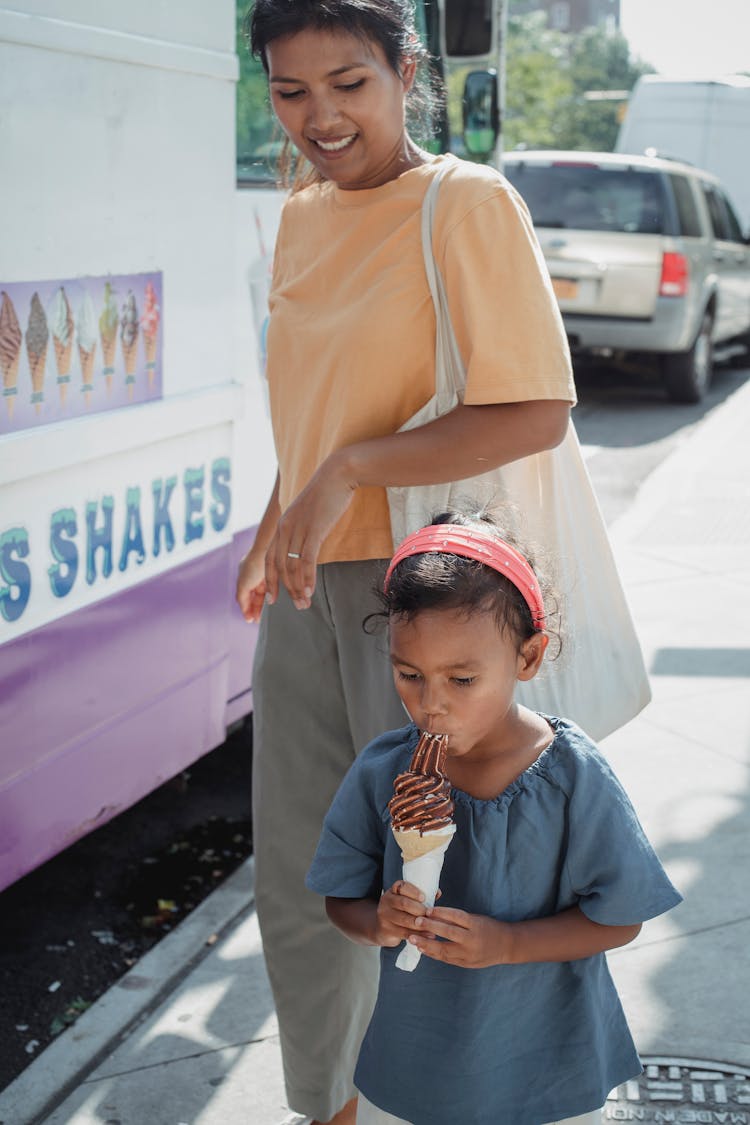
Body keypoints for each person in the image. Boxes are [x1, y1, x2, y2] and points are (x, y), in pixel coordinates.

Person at [237, 2, 577, 1122]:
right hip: (310, 588)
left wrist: (350, 469)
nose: (320, 117)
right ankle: (327, 1107)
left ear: (405, 72)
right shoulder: (297, 216)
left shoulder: (464, 203)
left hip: (426, 598)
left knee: (436, 885)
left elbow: (532, 408)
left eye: (348, 84)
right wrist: (287, 505)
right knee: (308, 882)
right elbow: (323, 412)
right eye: (291, 94)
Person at [306, 511, 682, 1125]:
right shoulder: (382, 772)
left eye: (462, 679)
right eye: (409, 674)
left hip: (544, 1062)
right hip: (416, 1061)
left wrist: (509, 942)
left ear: (528, 657)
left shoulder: (573, 776)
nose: (431, 702)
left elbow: (620, 920)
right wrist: (377, 922)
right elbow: (339, 899)